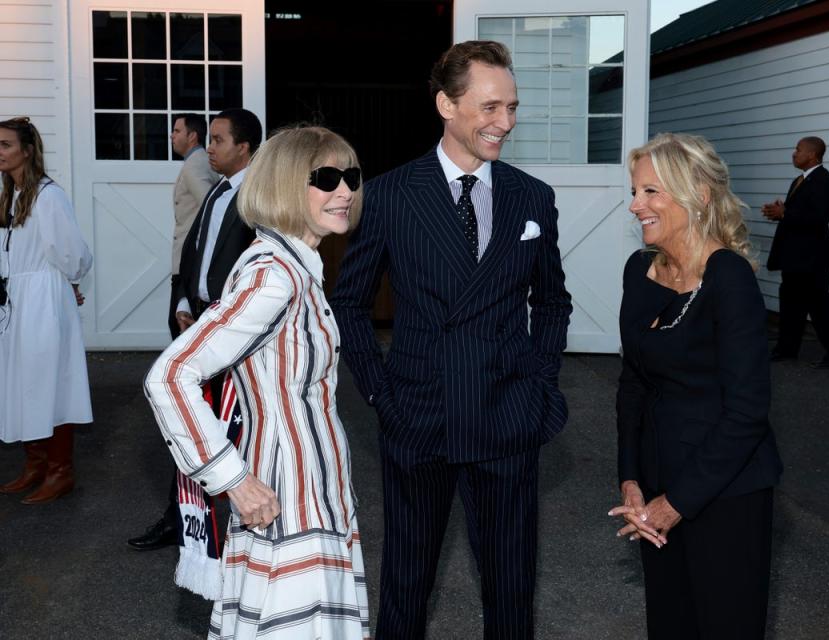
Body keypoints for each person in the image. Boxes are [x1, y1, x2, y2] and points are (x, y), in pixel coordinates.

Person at [331, 40, 572, 639]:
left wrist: (539, 383)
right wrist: (382, 396)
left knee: (512, 587)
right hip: (420, 416)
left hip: (506, 416)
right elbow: (350, 305)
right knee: (407, 585)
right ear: (446, 104)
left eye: (512, 108)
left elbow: (552, 300)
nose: (505, 123)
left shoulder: (531, 196)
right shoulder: (388, 195)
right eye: (490, 108)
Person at [144, 125, 370, 638]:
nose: (345, 191)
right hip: (287, 502)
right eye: (327, 177)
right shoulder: (275, 275)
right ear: (287, 184)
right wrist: (232, 479)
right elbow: (171, 375)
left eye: (350, 176)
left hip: (314, 490)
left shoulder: (295, 267)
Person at [609, 133, 783, 639]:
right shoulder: (639, 271)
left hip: (725, 492)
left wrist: (677, 502)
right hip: (657, 489)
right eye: (635, 191)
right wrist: (631, 478)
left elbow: (747, 412)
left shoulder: (729, 278)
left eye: (650, 192)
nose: (635, 204)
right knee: (671, 624)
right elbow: (633, 383)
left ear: (698, 196)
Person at [128, 108, 261, 551]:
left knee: (238, 425)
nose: (211, 149)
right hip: (198, 315)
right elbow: (194, 249)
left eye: (219, 140)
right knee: (188, 418)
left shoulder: (258, 200)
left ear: (244, 147)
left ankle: (253, 517)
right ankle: (181, 517)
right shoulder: (217, 190)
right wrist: (185, 299)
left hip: (234, 331)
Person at [0, 116, 93, 504]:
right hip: (17, 298)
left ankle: (60, 471)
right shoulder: (12, 193)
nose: (0, 152)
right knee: (22, 380)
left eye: (5, 145)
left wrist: (68, 282)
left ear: (27, 149)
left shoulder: (47, 195)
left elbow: (72, 252)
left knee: (51, 381)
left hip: (42, 298)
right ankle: (35, 464)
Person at [762, 136, 829, 368]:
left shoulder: (823, 180)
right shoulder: (799, 181)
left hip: (813, 258)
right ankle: (786, 349)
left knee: (820, 306)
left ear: (812, 155)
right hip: (794, 257)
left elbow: (819, 218)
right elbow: (798, 213)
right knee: (791, 305)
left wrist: (785, 214)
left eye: (798, 150)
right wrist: (779, 212)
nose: (794, 153)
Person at [168, 112, 218, 339]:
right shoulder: (199, 162)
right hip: (193, 261)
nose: (172, 135)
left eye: (177, 131)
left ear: (192, 136)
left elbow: (210, 207)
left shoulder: (194, 165)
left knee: (179, 327)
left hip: (189, 262)